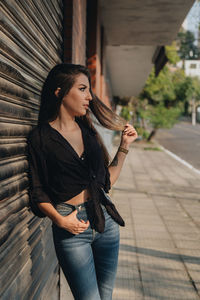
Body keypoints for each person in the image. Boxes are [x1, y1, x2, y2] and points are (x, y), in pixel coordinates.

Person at [27, 63, 138, 300]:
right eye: (82, 89)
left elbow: (105, 183)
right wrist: (60, 220)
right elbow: (37, 192)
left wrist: (124, 147)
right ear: (59, 92)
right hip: (71, 226)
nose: (89, 96)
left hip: (106, 222)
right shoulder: (40, 138)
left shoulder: (88, 132)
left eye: (88, 90)